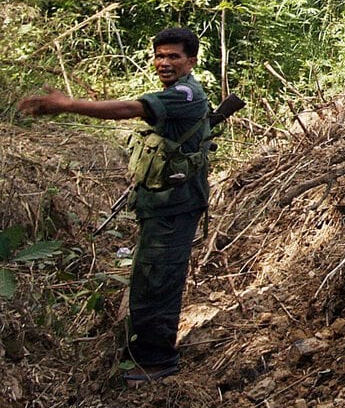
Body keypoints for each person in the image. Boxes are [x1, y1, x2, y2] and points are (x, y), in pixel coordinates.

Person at [18, 27, 213, 384]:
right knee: (148, 276)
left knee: (159, 279)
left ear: (191, 61)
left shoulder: (184, 95)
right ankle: (145, 353)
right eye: (160, 56)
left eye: (173, 56)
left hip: (174, 208)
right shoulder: (175, 92)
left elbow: (131, 108)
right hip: (162, 205)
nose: (164, 63)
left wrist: (68, 106)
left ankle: (157, 361)